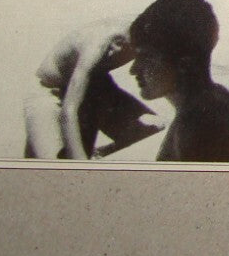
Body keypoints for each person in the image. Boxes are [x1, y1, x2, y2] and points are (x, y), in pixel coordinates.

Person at [127, 0, 229, 162]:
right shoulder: (218, 99)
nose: (133, 70)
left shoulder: (200, 126)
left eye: (146, 58)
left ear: (183, 64)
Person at [22, 16, 160, 159]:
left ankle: (98, 155)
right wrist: (81, 166)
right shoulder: (97, 44)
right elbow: (69, 111)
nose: (114, 51)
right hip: (49, 92)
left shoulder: (145, 33)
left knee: (156, 128)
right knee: (53, 167)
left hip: (96, 87)